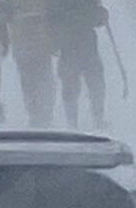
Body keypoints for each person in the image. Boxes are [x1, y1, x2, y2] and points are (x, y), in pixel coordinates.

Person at [48, 0, 108, 129]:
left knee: (94, 82)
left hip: (82, 42)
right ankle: (76, 122)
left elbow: (95, 16)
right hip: (72, 42)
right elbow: (52, 16)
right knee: (77, 83)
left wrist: (100, 14)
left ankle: (95, 119)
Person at [6, 0, 57, 128]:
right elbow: (3, 12)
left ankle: (44, 114)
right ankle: (35, 114)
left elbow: (53, 11)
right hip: (23, 42)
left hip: (39, 41)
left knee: (42, 77)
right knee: (29, 80)